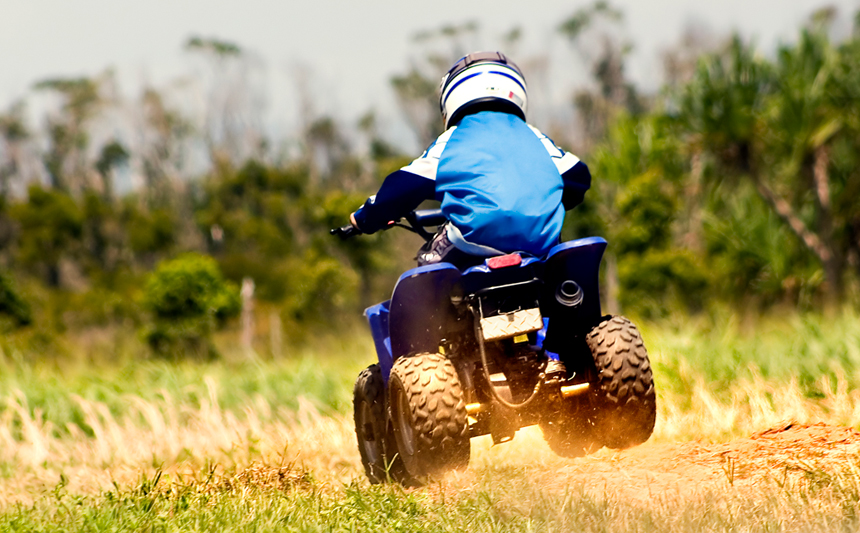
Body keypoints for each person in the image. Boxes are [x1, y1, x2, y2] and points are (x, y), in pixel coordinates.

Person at [349, 51, 591, 268]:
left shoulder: (453, 139)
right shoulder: (535, 136)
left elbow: (403, 187)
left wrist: (365, 218)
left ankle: (435, 318)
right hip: (539, 243)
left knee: (428, 266)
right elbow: (578, 176)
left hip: (471, 242)